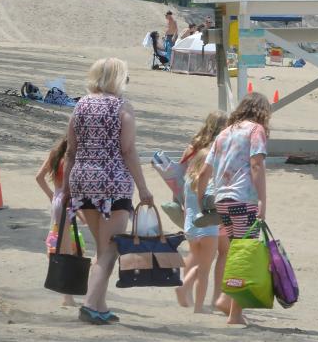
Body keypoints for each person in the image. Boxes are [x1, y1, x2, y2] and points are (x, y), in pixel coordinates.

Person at [62, 57, 154, 325]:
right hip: (113, 183)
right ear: (118, 79)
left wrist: (66, 186)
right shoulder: (122, 107)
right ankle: (90, 304)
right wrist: (144, 188)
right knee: (110, 250)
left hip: (83, 180)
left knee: (103, 247)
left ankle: (100, 306)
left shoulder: (81, 104)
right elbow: (127, 149)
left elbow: (70, 150)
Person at [196, 92, 270, 326]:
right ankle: (233, 312)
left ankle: (228, 300)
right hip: (243, 198)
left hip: (222, 200)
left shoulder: (224, 133)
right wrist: (262, 200)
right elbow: (256, 164)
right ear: (261, 112)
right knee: (244, 254)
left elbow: (204, 173)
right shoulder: (255, 130)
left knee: (235, 252)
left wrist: (201, 201)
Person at [175, 111, 228, 314]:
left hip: (191, 212)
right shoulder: (218, 151)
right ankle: (212, 297)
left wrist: (179, 201)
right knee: (220, 254)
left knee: (196, 254)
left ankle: (187, 290)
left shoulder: (193, 148)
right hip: (211, 213)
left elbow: (179, 175)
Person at [35, 137, 82, 307]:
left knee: (63, 245)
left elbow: (39, 177)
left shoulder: (55, 155)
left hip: (57, 201)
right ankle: (67, 296)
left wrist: (51, 195)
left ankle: (67, 294)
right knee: (67, 250)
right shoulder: (73, 159)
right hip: (67, 204)